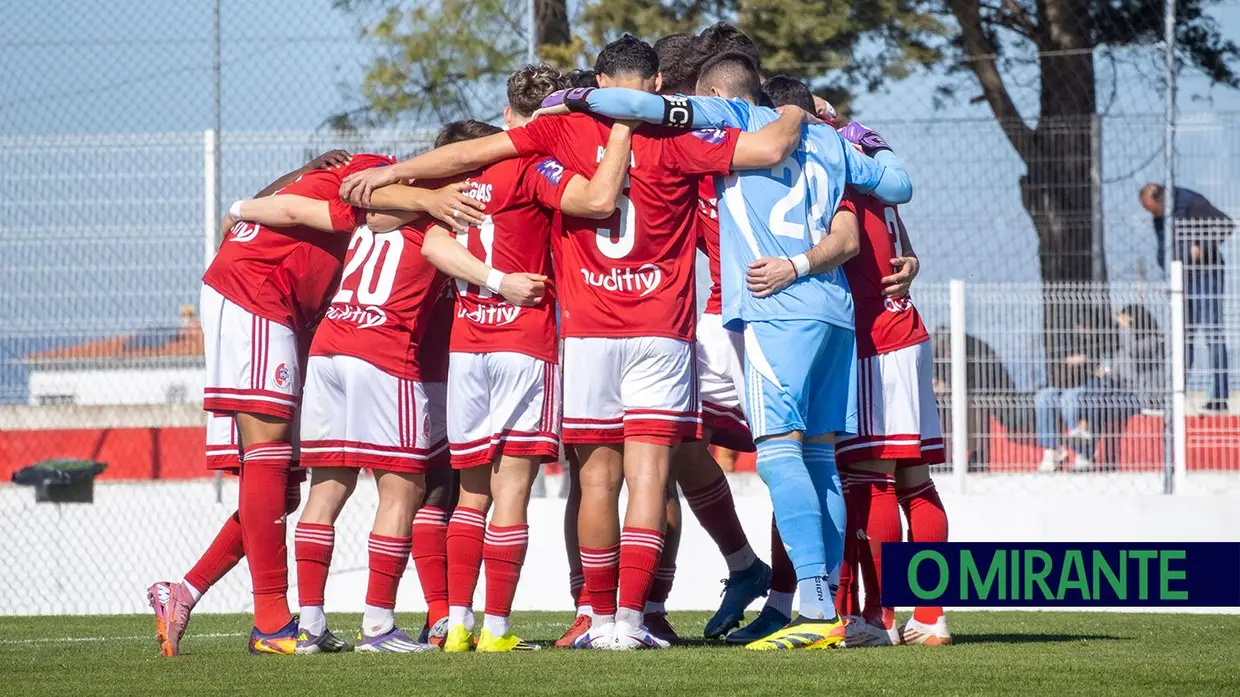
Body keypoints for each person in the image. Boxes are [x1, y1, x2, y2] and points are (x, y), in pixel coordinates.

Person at [338, 36, 805, 650]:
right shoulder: (681, 135)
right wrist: (799, 110)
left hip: (585, 332)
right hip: (662, 329)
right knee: (655, 476)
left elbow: (472, 152)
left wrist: (392, 171)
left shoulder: (560, 131)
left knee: (595, 481)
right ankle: (636, 620)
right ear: (657, 85)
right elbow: (770, 147)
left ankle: (595, 614)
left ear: (599, 81)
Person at [546, 48, 913, 651]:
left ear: (719, 96)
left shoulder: (734, 121)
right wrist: (851, 129)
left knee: (778, 456)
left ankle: (811, 609)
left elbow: (635, 104)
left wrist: (571, 98)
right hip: (834, 311)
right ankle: (825, 604)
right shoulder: (831, 142)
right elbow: (898, 183)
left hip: (774, 308)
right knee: (819, 460)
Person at [145, 150, 479, 656]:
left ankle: (185, 592)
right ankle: (275, 623)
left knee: (283, 489)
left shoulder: (342, 181)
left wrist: (243, 205)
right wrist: (430, 199)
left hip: (303, 324)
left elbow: (289, 200)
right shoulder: (376, 170)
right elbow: (341, 200)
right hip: (259, 293)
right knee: (274, 459)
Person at [381, 67, 635, 652]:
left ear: (505, 110)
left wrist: (392, 177)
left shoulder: (455, 176)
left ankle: (456, 625)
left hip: (468, 345)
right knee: (512, 491)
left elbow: (418, 233)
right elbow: (597, 201)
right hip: (524, 339)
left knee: (471, 494)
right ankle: (495, 629)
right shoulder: (533, 165)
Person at [1141, 183, 1231, 412]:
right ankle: (1176, 394)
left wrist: (1201, 246)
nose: (1155, 216)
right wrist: (1166, 266)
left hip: (1205, 275)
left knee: (1212, 334)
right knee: (1181, 338)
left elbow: (1225, 224)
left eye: (1155, 211)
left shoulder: (1191, 202)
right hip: (1180, 280)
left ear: (1161, 199)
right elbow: (1163, 245)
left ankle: (1219, 396)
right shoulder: (1160, 216)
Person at [1035, 305, 1117, 472]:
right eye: (1079, 326)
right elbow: (1062, 362)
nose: (1082, 330)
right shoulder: (1067, 339)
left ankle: (1084, 452)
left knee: (1070, 399)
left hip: (1089, 384)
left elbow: (1105, 368)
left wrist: (1087, 362)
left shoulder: (1104, 341)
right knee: (1043, 397)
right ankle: (1052, 450)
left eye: (1086, 327)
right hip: (1066, 383)